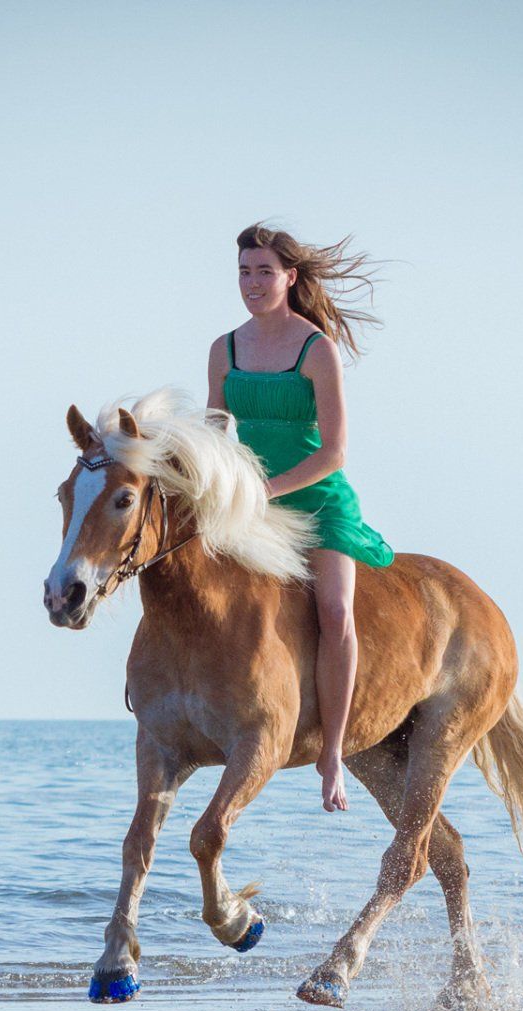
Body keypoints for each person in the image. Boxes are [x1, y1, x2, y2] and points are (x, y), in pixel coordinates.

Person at [208, 222, 396, 813]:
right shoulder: (225, 348)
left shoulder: (317, 348)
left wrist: (266, 490)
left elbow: (334, 451)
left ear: (290, 278)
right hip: (250, 505)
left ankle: (333, 752)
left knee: (336, 611)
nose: (253, 283)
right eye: (244, 271)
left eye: (265, 272)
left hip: (315, 502)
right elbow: (216, 434)